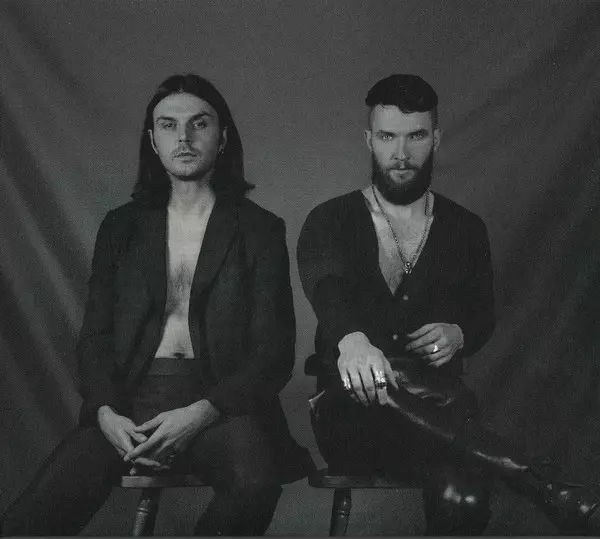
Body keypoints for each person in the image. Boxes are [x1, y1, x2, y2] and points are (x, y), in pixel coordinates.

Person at [2, 73, 312, 536]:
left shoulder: (259, 229)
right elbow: (95, 337)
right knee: (31, 516)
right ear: (152, 140)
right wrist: (105, 412)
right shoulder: (121, 227)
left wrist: (201, 412)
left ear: (223, 137)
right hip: (129, 403)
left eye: (199, 124)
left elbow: (274, 350)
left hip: (220, 405)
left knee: (256, 484)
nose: (183, 137)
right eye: (168, 125)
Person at [297, 73, 600, 535]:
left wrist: (460, 334)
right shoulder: (330, 219)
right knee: (395, 387)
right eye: (388, 137)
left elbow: (482, 316)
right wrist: (352, 341)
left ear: (436, 138)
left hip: (440, 422)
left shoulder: (465, 228)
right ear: (369, 140)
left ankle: (528, 476)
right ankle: (539, 481)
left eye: (416, 136)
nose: (401, 153)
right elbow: (327, 286)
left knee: (465, 494)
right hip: (353, 418)